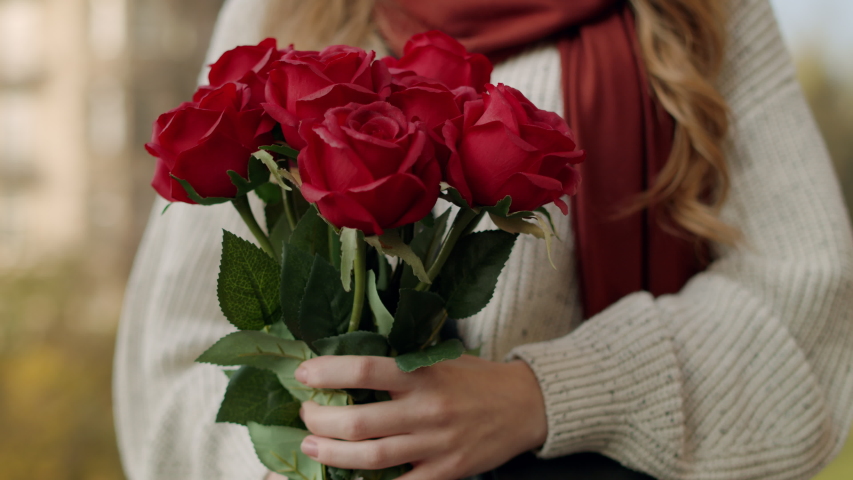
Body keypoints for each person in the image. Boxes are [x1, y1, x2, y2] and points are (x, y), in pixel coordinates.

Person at [113, 0, 853, 479]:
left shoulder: (700, 12)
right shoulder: (289, 8)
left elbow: (809, 313)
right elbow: (170, 370)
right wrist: (323, 461)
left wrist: (542, 395)